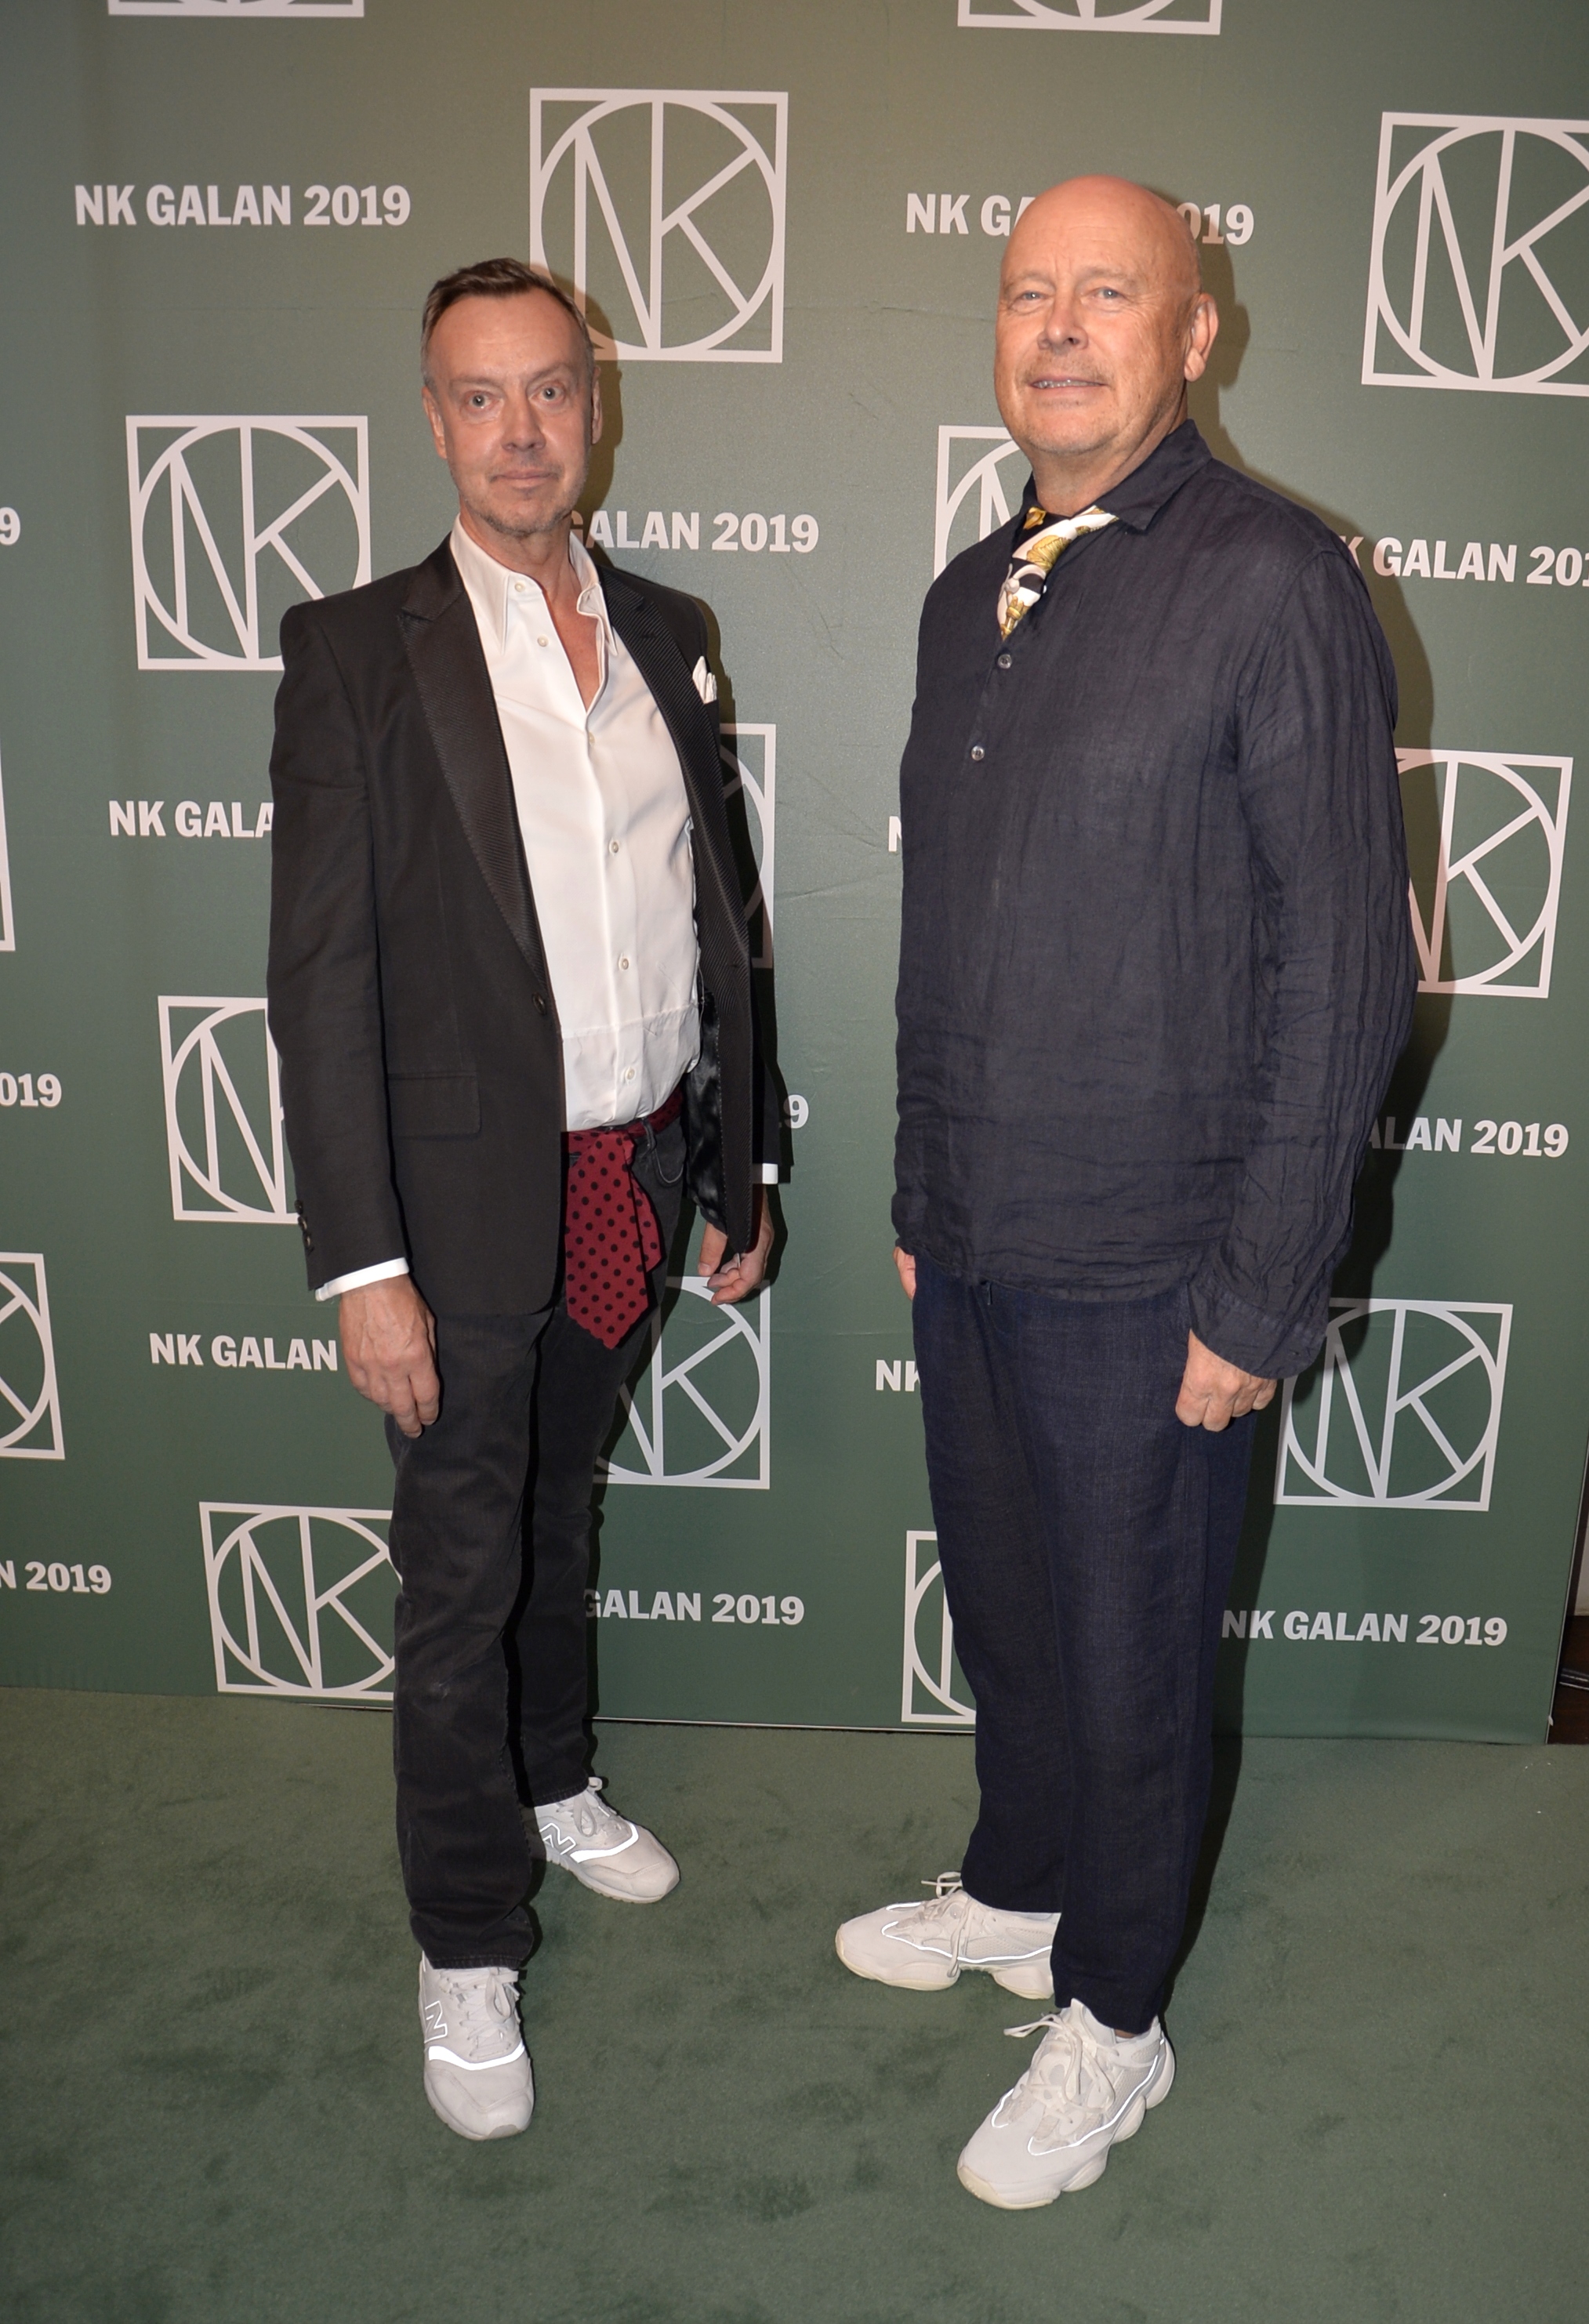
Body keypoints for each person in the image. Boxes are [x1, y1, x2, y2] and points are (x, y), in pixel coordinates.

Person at [836, 178, 1415, 2209]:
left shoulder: (1274, 580)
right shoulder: (966, 593)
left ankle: (1116, 2006)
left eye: (1110, 292)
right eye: (1028, 293)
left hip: (1155, 1260)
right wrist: (920, 1183)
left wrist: (1260, 1289)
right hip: (976, 1236)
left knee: (1133, 1647)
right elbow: (947, 929)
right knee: (1009, 1609)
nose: (1060, 327)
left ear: (1193, 335)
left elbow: (1344, 965)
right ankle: (1021, 1879)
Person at [267, 258, 778, 2143]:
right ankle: (467, 1940)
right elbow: (318, 975)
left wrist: (740, 1157)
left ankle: (554, 1780)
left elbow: (719, 909)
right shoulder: (355, 651)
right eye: (478, 397)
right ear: (432, 418)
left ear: (596, 400)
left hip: (631, 1169)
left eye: (549, 389)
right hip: (454, 1210)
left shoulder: (669, 627)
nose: (519, 430)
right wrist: (364, 1262)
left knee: (563, 1512)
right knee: (461, 1576)